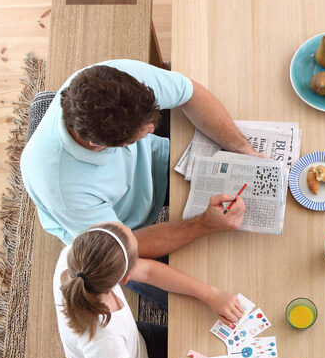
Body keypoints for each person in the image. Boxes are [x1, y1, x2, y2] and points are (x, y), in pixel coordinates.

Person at [21, 59, 264, 258]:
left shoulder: (115, 81)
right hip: (118, 232)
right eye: (141, 133)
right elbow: (123, 246)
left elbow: (189, 92)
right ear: (98, 144)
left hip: (150, 165)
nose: (152, 129)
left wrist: (244, 150)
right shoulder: (63, 188)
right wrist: (204, 224)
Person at [53, 221, 243, 358]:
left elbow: (150, 271)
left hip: (137, 343)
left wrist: (211, 294)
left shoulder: (77, 256)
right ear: (125, 278)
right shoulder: (104, 338)